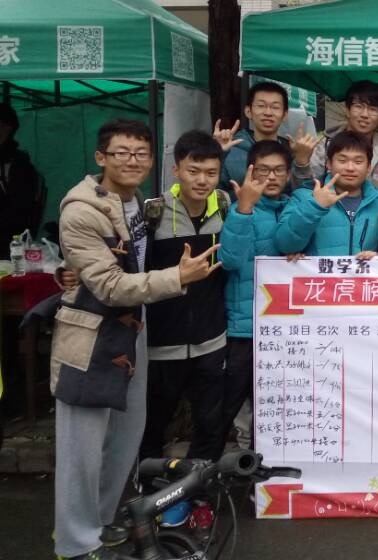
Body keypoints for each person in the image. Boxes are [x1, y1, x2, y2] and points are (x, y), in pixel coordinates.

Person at [52, 119, 220, 560]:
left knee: (123, 438)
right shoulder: (82, 209)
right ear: (100, 157)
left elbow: (113, 265)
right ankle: (74, 543)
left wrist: (67, 272)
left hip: (132, 333)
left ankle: (101, 522)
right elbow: (109, 285)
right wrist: (177, 277)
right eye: (122, 152)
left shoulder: (137, 205)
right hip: (91, 338)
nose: (132, 160)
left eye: (141, 153)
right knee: (83, 449)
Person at [139, 131, 230, 526]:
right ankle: (151, 497)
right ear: (176, 169)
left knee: (210, 426)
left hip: (212, 339)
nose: (202, 180)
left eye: (210, 172)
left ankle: (197, 497)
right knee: (152, 425)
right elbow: (134, 273)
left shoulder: (225, 206)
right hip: (162, 343)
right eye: (194, 170)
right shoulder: (153, 214)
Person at [217, 140, 292, 455]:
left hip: (287, 329)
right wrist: (244, 209)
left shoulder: (294, 209)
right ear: (250, 172)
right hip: (244, 328)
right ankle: (208, 470)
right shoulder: (238, 210)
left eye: (278, 170)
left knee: (279, 403)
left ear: (289, 175)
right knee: (229, 405)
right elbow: (229, 261)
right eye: (263, 170)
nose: (271, 177)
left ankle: (265, 468)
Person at [290, 80, 378, 208]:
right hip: (326, 218)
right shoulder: (323, 147)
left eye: (373, 109)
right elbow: (302, 195)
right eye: (358, 106)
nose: (364, 114)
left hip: (372, 220)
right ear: (347, 110)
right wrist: (301, 162)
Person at [275, 131, 378, 257]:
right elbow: (284, 245)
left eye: (358, 162)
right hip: (319, 271)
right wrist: (314, 207)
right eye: (342, 160)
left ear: (368, 167)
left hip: (360, 271)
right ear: (329, 164)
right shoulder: (305, 196)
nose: (350, 168)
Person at [214, 81, 291, 195]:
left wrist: (302, 163)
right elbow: (212, 193)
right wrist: (216, 154)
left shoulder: (291, 152)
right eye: (261, 106)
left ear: (285, 115)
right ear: (248, 111)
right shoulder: (230, 150)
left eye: (275, 107)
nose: (268, 112)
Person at [0, 101, 43, 256]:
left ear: (10, 129)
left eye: (3, 126)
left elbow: (20, 211)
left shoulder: (20, 165)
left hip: (9, 246)